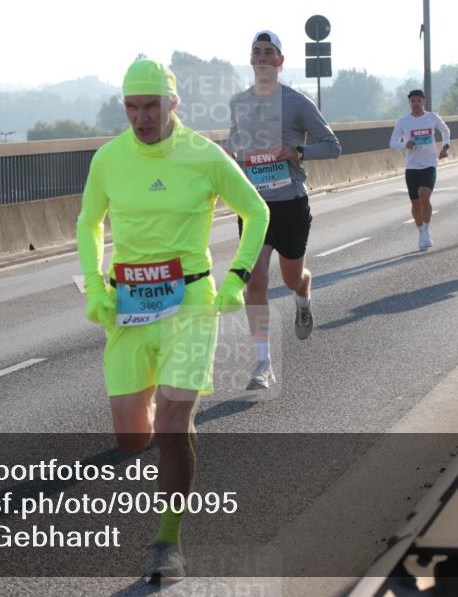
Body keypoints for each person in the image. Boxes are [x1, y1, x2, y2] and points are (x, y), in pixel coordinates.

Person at [76, 58, 269, 582]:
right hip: (129, 306)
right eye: (132, 107)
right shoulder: (109, 159)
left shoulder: (204, 156)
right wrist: (95, 287)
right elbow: (89, 222)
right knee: (130, 437)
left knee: (170, 425)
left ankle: (168, 541)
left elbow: (257, 211)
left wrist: (236, 279)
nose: (141, 117)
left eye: (151, 106)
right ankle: (172, 434)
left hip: (188, 303)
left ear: (173, 104)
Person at [226, 31, 340, 391]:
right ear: (251, 60)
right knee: (255, 282)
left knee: (292, 277)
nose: (261, 57)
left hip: (290, 201)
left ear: (279, 61)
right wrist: (232, 158)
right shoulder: (239, 103)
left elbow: (332, 146)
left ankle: (303, 296)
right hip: (254, 205)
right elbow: (235, 143)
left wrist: (295, 152)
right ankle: (263, 363)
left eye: (268, 52)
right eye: (256, 52)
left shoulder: (297, 103)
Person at [389, 89, 451, 250]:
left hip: (429, 164)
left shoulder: (432, 117)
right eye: (413, 101)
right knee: (415, 203)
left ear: (424, 102)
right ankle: (421, 231)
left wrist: (445, 147)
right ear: (409, 102)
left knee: (425, 195)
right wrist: (405, 145)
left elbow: (445, 130)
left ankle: (427, 230)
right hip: (411, 166)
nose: (416, 104)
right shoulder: (403, 121)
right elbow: (392, 142)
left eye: (418, 101)